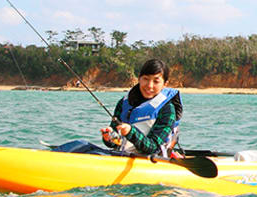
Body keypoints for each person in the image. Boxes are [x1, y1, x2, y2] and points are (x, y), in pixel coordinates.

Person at [54, 59, 182, 156]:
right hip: (123, 155)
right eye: (145, 79)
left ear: (165, 84)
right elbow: (118, 142)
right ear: (139, 79)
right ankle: (51, 156)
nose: (149, 85)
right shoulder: (125, 103)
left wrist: (131, 132)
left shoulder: (167, 109)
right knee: (80, 144)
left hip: (150, 160)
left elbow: (153, 147)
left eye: (156, 81)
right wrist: (110, 138)